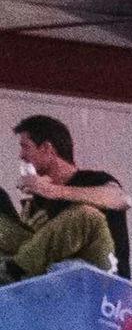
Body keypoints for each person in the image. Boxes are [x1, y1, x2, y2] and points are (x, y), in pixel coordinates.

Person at [5, 115, 123, 282]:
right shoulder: (37, 202)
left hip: (100, 282)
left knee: (86, 215)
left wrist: (52, 190)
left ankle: (12, 271)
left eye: (26, 147)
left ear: (47, 148)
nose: (21, 155)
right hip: (47, 280)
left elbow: (121, 199)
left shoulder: (93, 180)